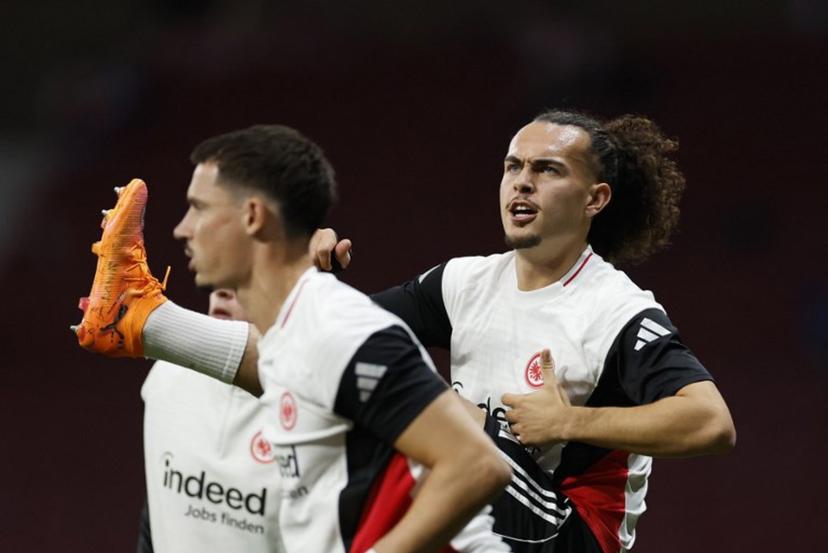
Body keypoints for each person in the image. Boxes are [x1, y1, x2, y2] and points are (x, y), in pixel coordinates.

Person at [312, 110, 737, 552]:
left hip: (569, 532)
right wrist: (308, 277)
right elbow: (343, 341)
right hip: (485, 510)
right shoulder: (464, 283)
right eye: (513, 166)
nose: (522, 181)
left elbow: (711, 422)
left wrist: (569, 421)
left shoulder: (616, 311)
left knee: (422, 403)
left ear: (595, 199)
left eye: (547, 169)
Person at [73, 125, 512, 553]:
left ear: (252, 216)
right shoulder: (294, 333)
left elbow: (478, 465)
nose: (183, 229)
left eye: (200, 208)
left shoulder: (338, 328)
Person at [138, 288, 284, 553]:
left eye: (245, 276)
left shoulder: (315, 401)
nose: (222, 292)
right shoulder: (166, 379)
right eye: (219, 281)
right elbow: (158, 521)